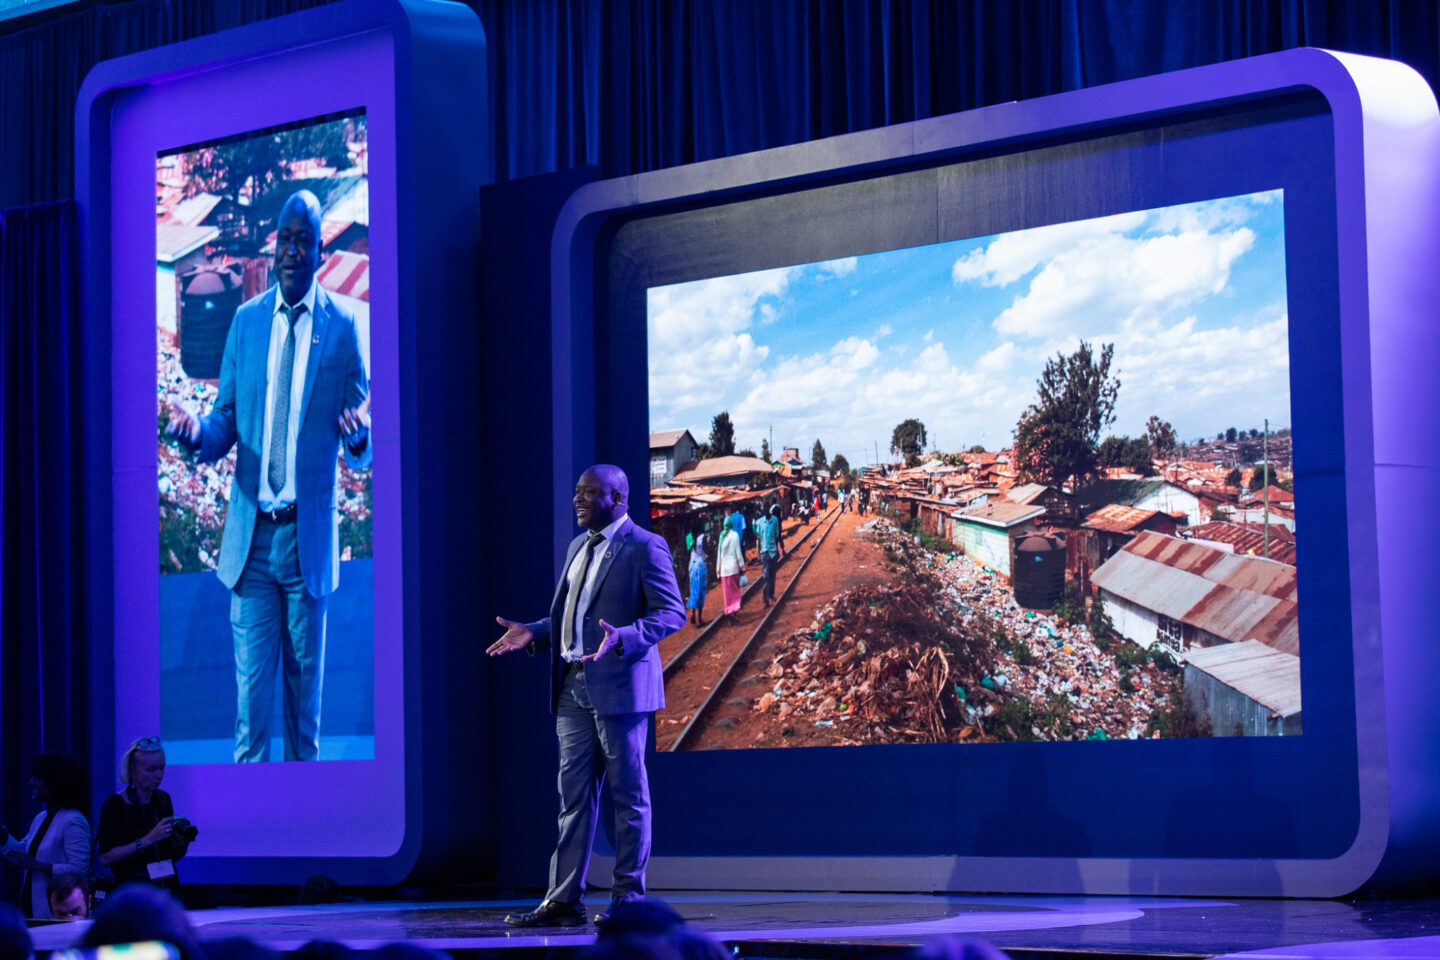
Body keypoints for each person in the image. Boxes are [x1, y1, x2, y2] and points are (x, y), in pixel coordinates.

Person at [166, 189, 371, 763]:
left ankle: (305, 843)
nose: (292, 251)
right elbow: (224, 421)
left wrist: (358, 435)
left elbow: (362, 436)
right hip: (251, 544)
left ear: (320, 251)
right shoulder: (247, 323)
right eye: (285, 240)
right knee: (249, 721)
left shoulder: (345, 327)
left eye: (304, 241)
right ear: (274, 245)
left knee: (303, 725)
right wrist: (193, 433)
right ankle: (254, 840)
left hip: (307, 546)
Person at [488, 465, 684, 927]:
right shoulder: (579, 546)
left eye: (588, 493)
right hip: (573, 687)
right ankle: (562, 901)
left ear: (617, 498)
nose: (577, 500)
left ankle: (628, 904)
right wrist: (533, 633)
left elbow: (671, 612)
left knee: (628, 797)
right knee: (572, 797)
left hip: (620, 688)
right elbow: (571, 619)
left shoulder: (644, 546)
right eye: (576, 492)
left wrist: (627, 637)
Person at [1, 753, 91, 918]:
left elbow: (79, 869)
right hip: (33, 905)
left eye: (37, 778)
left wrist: (38, 866)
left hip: (59, 911)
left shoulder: (73, 820)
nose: (32, 782)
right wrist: (3, 838)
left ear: (56, 782)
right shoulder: (41, 817)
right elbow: (22, 854)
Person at [97, 737, 192, 892]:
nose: (159, 775)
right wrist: (147, 840)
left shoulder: (163, 799)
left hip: (165, 889)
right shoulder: (116, 804)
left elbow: (168, 856)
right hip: (131, 894)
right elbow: (105, 858)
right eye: (151, 769)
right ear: (133, 770)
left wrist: (182, 844)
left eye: (162, 768)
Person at [756, 505, 785, 606]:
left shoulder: (775, 521)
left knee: (772, 575)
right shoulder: (759, 522)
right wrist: (759, 553)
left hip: (773, 552)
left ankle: (771, 595)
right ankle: (765, 599)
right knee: (766, 576)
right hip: (765, 552)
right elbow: (759, 538)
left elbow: (777, 536)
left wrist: (777, 549)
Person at [717, 516, 743, 618]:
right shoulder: (735, 535)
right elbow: (738, 552)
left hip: (724, 570)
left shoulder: (721, 536)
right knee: (735, 592)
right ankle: (734, 611)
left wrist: (718, 570)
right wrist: (742, 565)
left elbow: (719, 554)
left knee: (727, 594)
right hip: (733, 569)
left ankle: (729, 611)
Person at [685, 525, 707, 627]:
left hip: (692, 566)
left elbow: (687, 551)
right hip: (700, 566)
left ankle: (693, 614)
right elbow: (707, 550)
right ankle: (699, 619)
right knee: (701, 592)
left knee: (693, 591)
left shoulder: (689, 537)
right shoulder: (703, 537)